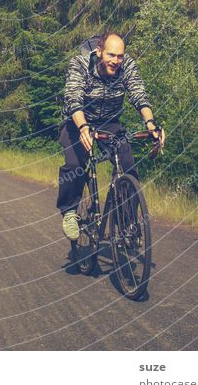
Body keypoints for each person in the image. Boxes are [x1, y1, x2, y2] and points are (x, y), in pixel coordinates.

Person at [57, 31, 165, 239]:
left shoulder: (127, 67)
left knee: (128, 169)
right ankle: (70, 212)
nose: (116, 61)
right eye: (111, 55)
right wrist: (83, 127)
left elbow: (138, 94)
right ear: (99, 52)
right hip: (76, 121)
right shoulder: (80, 65)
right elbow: (73, 98)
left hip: (110, 123)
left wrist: (151, 124)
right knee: (75, 165)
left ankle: (126, 224)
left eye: (120, 56)